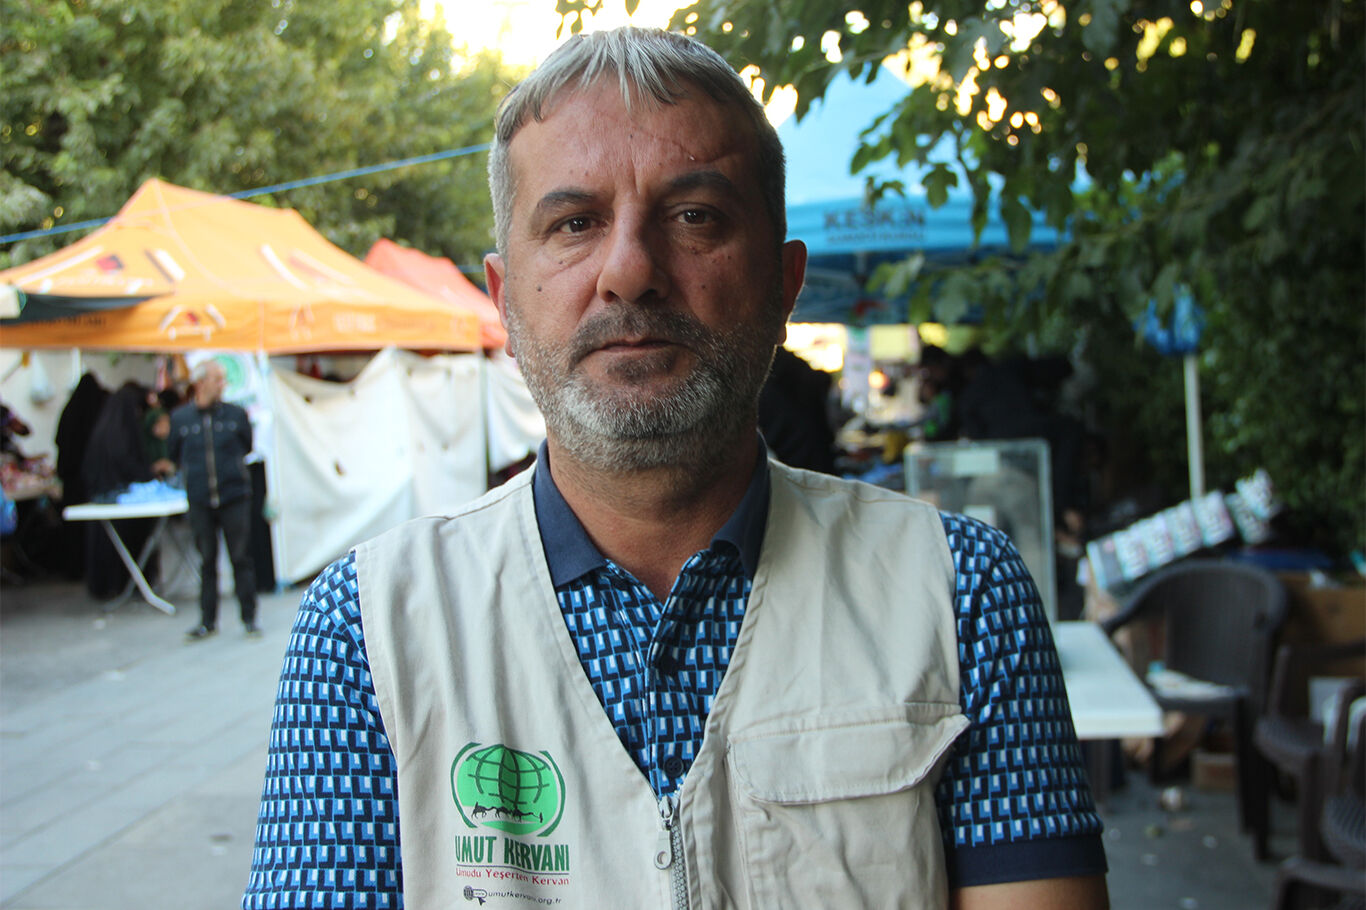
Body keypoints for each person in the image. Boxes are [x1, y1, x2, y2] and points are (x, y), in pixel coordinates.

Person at [244, 28, 1107, 909]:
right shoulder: (370, 631)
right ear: (505, 301)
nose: (629, 271)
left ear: (784, 283)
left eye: (695, 216)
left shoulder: (960, 594)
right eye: (574, 224)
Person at [168, 360, 258, 641]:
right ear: (201, 383)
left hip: (233, 495)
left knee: (240, 557)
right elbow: (173, 454)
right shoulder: (181, 419)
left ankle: (249, 618)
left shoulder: (235, 415)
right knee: (207, 560)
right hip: (200, 498)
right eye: (217, 379)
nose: (222, 385)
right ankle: (207, 621)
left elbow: (247, 446)